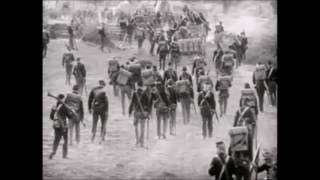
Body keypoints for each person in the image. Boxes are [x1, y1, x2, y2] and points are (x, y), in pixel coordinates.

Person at [129, 82, 151, 147]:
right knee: (142, 128)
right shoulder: (145, 93)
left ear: (137, 85)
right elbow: (148, 104)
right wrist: (148, 113)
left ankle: (137, 140)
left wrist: (130, 112)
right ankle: (142, 142)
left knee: (136, 127)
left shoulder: (135, 93)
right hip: (143, 113)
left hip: (136, 112)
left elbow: (132, 103)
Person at [49, 94, 70, 159]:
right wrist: (71, 112)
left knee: (56, 140)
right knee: (65, 140)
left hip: (56, 125)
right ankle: (64, 155)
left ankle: (53, 152)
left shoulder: (54, 107)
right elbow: (70, 116)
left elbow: (51, 117)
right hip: (63, 125)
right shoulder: (65, 107)